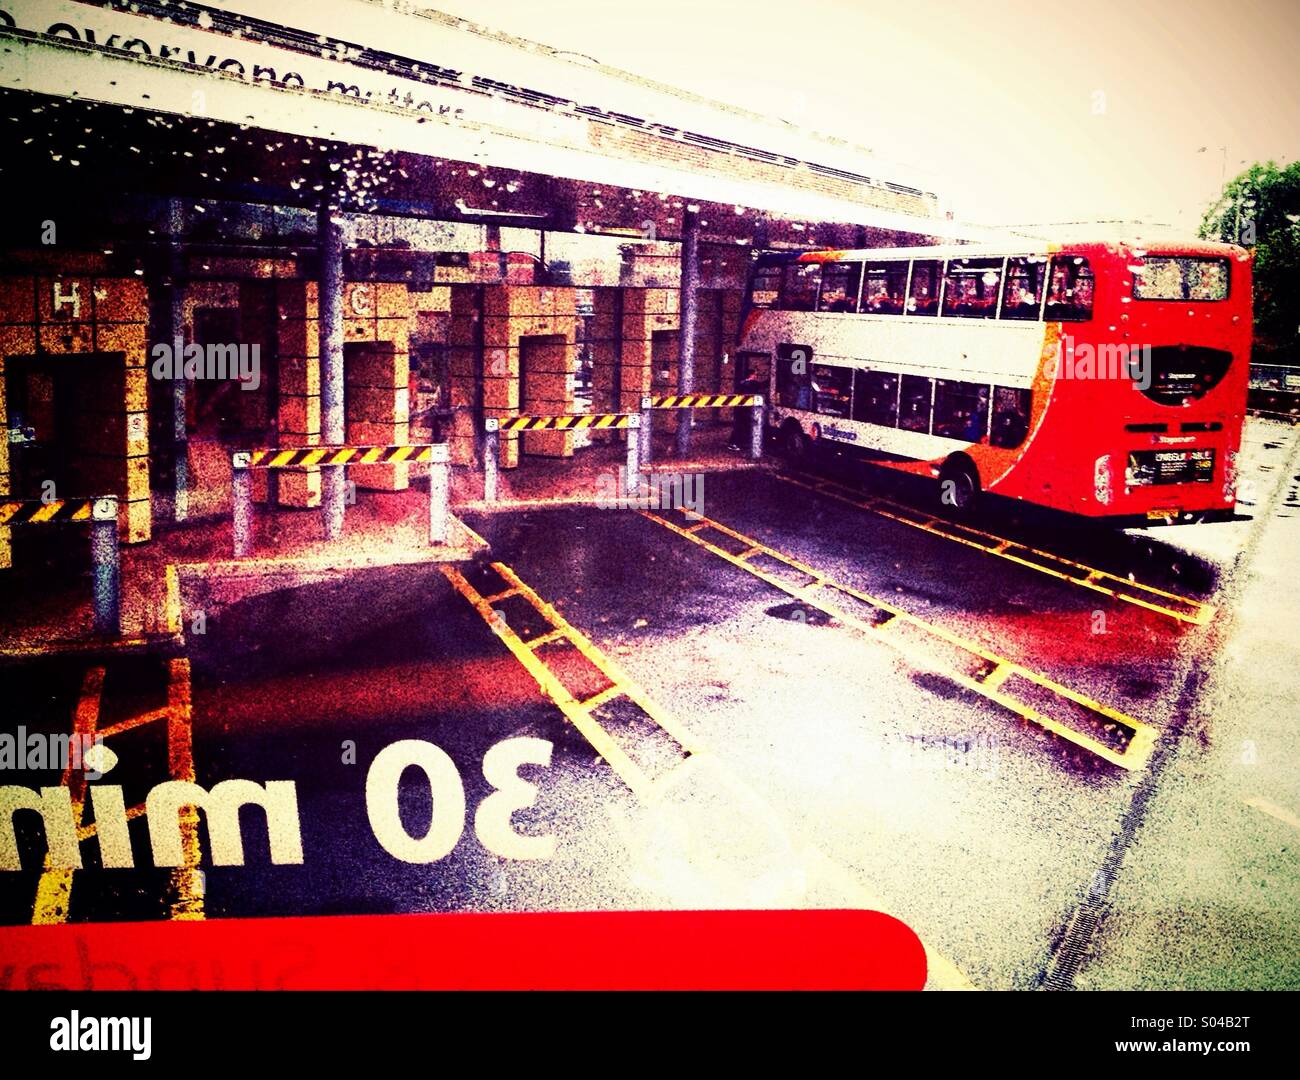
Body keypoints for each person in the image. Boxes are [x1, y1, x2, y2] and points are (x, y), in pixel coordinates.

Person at [728, 369, 768, 450]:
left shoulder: (741, 383)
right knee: (746, 425)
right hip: (747, 409)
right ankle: (737, 443)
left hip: (739, 408)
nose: (756, 376)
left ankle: (733, 442)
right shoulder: (753, 383)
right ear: (751, 375)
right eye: (755, 374)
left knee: (739, 425)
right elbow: (764, 385)